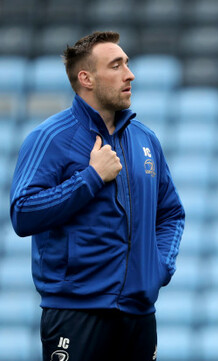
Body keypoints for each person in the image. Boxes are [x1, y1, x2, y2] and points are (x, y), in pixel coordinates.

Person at [10, 31, 185, 361]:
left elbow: (171, 213)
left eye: (127, 64)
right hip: (75, 313)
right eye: (116, 65)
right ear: (86, 78)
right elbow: (23, 212)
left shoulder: (146, 140)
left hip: (139, 314)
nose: (129, 74)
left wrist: (159, 267)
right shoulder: (50, 137)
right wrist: (90, 178)